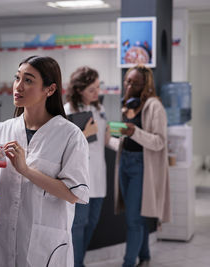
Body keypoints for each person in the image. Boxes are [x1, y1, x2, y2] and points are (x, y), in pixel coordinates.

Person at [0, 56, 90, 267]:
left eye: (28, 80)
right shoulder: (4, 129)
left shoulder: (69, 135)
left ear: (50, 90)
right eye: (17, 78)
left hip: (44, 248)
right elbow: (2, 188)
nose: (18, 86)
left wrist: (26, 170)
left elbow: (73, 194)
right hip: (5, 242)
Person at [115, 65, 170, 267]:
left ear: (144, 85)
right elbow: (125, 139)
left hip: (141, 166)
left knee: (133, 220)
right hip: (126, 162)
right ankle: (145, 256)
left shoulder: (155, 106)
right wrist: (109, 138)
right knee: (136, 214)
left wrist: (134, 132)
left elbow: (159, 141)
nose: (128, 85)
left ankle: (128, 263)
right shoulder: (127, 105)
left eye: (134, 83)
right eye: (127, 81)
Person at [64, 66, 118, 267]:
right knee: (78, 225)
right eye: (92, 90)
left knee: (93, 222)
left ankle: (79, 261)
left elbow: (105, 140)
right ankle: (76, 264)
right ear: (79, 90)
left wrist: (113, 139)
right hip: (80, 177)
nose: (97, 94)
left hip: (99, 175)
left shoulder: (99, 109)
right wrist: (86, 133)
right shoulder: (68, 110)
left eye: (98, 88)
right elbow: (64, 146)